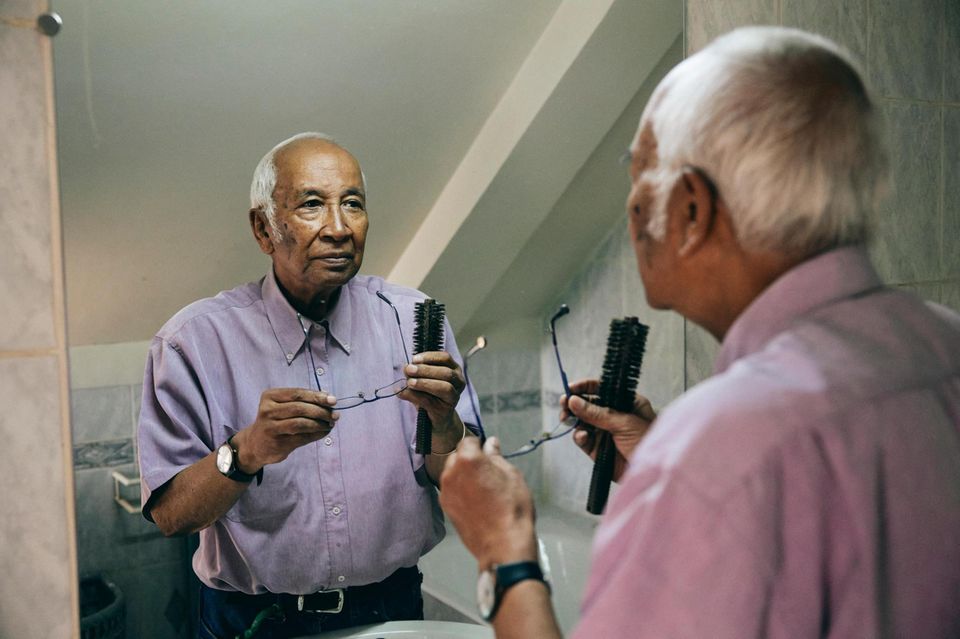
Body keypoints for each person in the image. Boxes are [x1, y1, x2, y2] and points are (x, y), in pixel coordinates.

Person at [439, 27, 960, 638]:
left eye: (637, 175)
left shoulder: (717, 450)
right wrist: (662, 469)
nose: (631, 208)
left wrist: (503, 549)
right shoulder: (944, 342)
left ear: (690, 210)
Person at [137, 132, 480, 638]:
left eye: (354, 205)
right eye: (313, 205)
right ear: (263, 228)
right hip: (254, 620)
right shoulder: (193, 344)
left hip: (393, 607)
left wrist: (444, 423)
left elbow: (464, 486)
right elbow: (170, 515)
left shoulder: (411, 319)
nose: (339, 229)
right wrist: (247, 450)